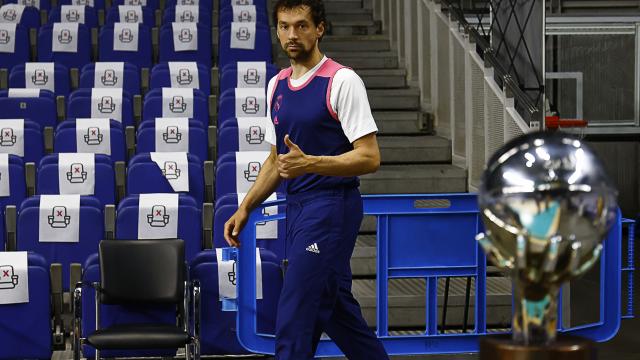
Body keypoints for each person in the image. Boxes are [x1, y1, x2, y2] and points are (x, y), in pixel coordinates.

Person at [224, 0, 389, 358]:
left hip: (332, 207)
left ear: (320, 29)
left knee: (296, 311)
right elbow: (275, 161)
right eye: (284, 26)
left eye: (301, 26)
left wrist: (311, 163)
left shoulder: (342, 81)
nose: (292, 35)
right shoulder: (277, 85)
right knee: (335, 308)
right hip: (299, 208)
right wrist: (246, 207)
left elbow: (369, 157)